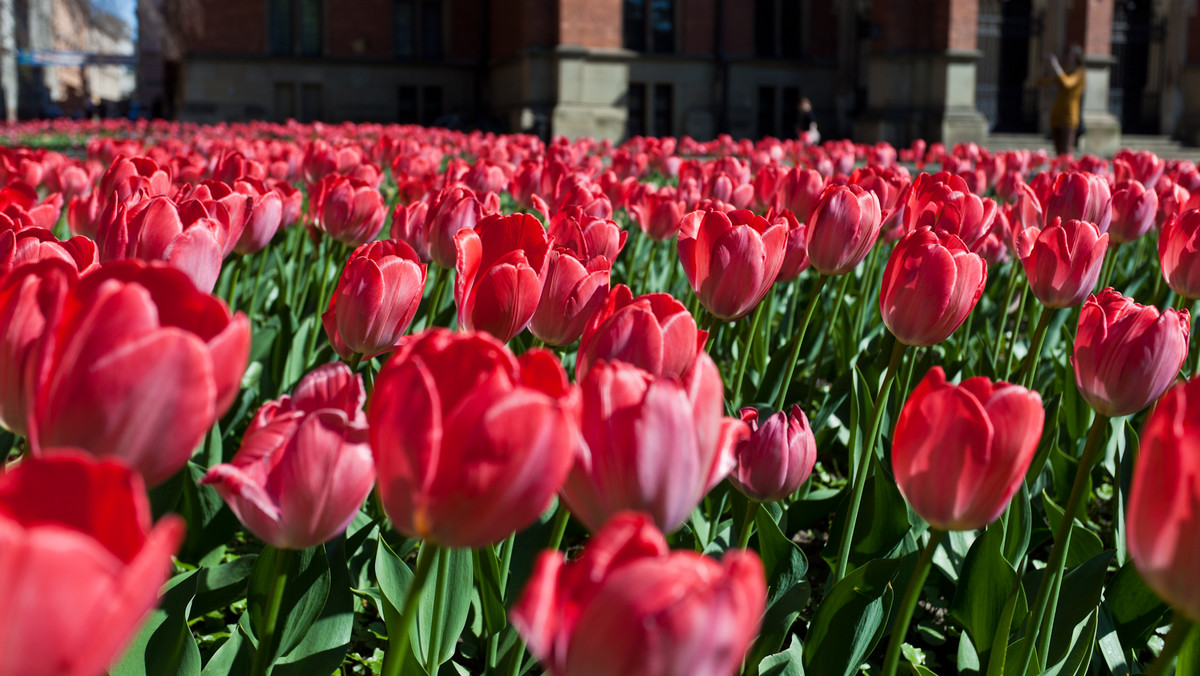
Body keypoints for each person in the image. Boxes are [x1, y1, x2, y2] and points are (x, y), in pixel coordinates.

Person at [1039, 45, 1086, 156]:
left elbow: (1067, 83)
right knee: (1058, 153)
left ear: (1077, 57)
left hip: (1069, 117)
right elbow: (1040, 81)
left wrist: (1055, 65)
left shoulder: (1080, 73)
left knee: (1066, 151)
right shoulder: (1065, 72)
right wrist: (1044, 66)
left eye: (1070, 55)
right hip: (1057, 115)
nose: (1067, 58)